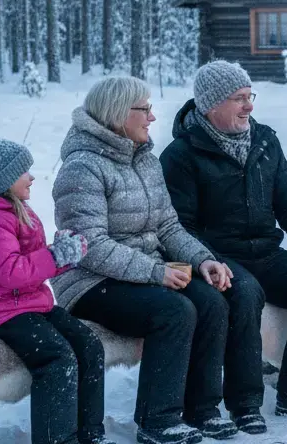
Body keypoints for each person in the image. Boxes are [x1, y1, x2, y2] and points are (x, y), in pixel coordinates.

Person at [160, 61, 287, 429]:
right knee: (246, 292)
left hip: (266, 251)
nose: (249, 106)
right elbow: (180, 226)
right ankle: (244, 403)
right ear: (211, 105)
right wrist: (207, 260)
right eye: (239, 99)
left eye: (250, 97)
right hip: (217, 256)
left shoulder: (264, 141)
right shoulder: (181, 156)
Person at [51, 76, 233, 444]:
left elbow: (167, 226)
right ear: (119, 114)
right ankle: (158, 420)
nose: (152, 117)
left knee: (212, 301)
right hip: (89, 282)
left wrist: (202, 260)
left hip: (141, 272)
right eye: (144, 109)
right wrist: (155, 272)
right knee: (174, 311)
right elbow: (91, 245)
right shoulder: (82, 167)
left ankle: (202, 409)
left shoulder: (145, 159)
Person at [0, 129, 113, 444]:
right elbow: (10, 272)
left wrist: (63, 255)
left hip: (30, 305)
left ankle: (90, 433)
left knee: (89, 345)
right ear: (2, 180)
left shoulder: (16, 210)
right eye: (22, 172)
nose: (31, 177)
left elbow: (30, 263)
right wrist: (53, 256)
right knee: (57, 358)